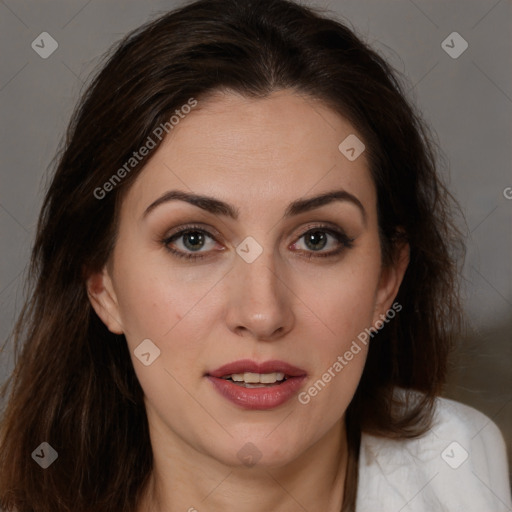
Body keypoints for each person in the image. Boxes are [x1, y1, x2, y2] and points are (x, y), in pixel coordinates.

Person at [0, 0, 510, 511]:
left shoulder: (458, 467)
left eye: (317, 239)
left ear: (387, 280)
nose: (263, 313)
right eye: (193, 240)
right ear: (101, 282)